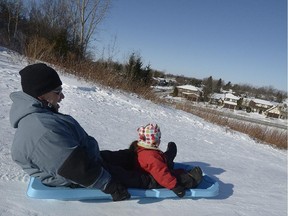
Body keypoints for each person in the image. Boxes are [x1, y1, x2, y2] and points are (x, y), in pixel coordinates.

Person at [9, 63, 153, 202]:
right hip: (80, 175)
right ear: (41, 95)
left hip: (84, 158)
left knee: (122, 157)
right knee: (135, 179)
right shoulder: (42, 130)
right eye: (57, 92)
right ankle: (167, 178)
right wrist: (110, 185)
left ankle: (154, 158)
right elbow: (77, 169)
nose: (62, 96)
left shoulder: (40, 113)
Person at [130, 123, 203, 198]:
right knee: (175, 176)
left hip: (152, 170)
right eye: (159, 139)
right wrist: (174, 186)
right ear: (154, 141)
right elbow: (162, 174)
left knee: (162, 161)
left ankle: (168, 158)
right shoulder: (151, 157)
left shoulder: (143, 149)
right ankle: (192, 179)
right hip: (153, 179)